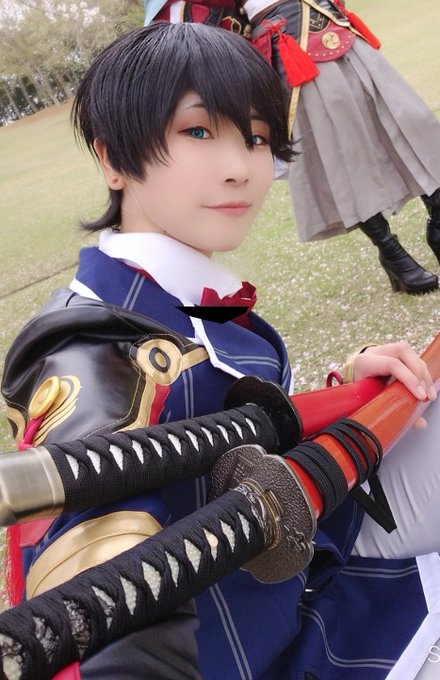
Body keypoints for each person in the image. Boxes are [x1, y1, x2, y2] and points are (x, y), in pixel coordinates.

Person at [1, 21, 440, 679]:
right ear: (114, 160)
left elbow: (231, 415)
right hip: (266, 643)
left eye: (256, 137)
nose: (240, 168)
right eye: (199, 132)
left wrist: (343, 384)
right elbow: (94, 602)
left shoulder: (174, 289)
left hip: (317, 538)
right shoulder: (93, 357)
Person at [146, 0, 440, 295]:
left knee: (406, 120)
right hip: (290, 42)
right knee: (339, 153)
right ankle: (391, 253)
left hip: (332, 20)